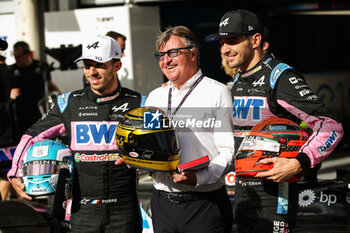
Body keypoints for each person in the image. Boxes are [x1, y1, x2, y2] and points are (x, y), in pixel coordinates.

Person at [206, 9, 344, 232]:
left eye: (232, 41)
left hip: (274, 195)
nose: (224, 49)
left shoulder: (280, 77)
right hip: (244, 193)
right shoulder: (240, 78)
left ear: (256, 40)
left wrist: (300, 162)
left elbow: (331, 126)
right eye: (222, 42)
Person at [8, 35, 144, 232]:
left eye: (99, 65)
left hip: (124, 209)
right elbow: (31, 136)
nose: (92, 72)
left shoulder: (138, 102)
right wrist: (14, 173)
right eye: (87, 65)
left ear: (117, 66)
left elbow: (159, 148)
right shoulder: (69, 103)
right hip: (83, 210)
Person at [145, 25, 235, 233]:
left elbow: (228, 151)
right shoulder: (154, 97)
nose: (166, 60)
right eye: (161, 55)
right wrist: (135, 159)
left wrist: (199, 178)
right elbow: (148, 146)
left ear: (193, 53)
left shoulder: (218, 92)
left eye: (172, 53)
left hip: (204, 205)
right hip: (162, 203)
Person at [9, 41, 61, 141]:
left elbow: (50, 86)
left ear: (27, 53)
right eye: (15, 56)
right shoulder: (11, 70)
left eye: (19, 56)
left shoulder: (41, 66)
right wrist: (10, 94)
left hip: (39, 111)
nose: (17, 59)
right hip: (21, 112)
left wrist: (62, 97)